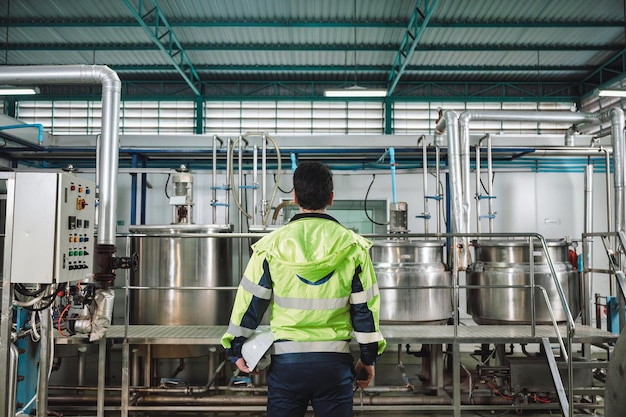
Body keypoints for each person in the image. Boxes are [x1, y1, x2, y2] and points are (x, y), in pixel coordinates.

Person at [221, 161, 386, 417]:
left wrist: (236, 348)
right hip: (335, 364)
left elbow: (250, 302)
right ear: (331, 198)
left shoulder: (270, 246)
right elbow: (365, 311)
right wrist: (368, 359)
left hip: (287, 364)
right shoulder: (354, 247)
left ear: (294, 196)